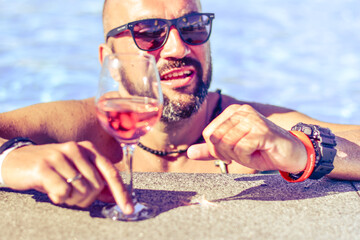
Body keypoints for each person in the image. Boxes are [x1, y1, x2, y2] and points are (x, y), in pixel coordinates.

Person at [1, 0, 360, 215]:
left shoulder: (254, 130)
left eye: (191, 28)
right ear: (108, 58)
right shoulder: (84, 126)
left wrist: (306, 150)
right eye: (148, 33)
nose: (177, 49)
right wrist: (10, 157)